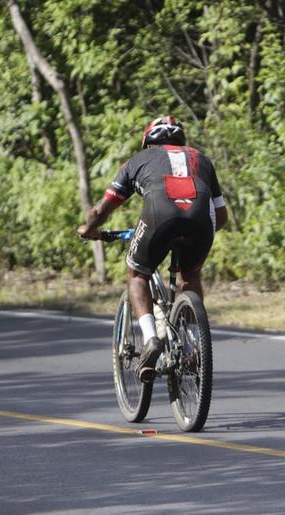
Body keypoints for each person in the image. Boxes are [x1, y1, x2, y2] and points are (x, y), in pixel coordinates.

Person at [78, 115, 227, 382]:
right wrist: (193, 231)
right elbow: (222, 216)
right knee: (190, 275)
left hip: (159, 215)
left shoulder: (137, 161)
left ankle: (150, 339)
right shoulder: (201, 159)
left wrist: (89, 229)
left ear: (148, 142)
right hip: (201, 221)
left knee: (137, 274)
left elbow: (101, 209)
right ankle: (192, 347)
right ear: (181, 141)